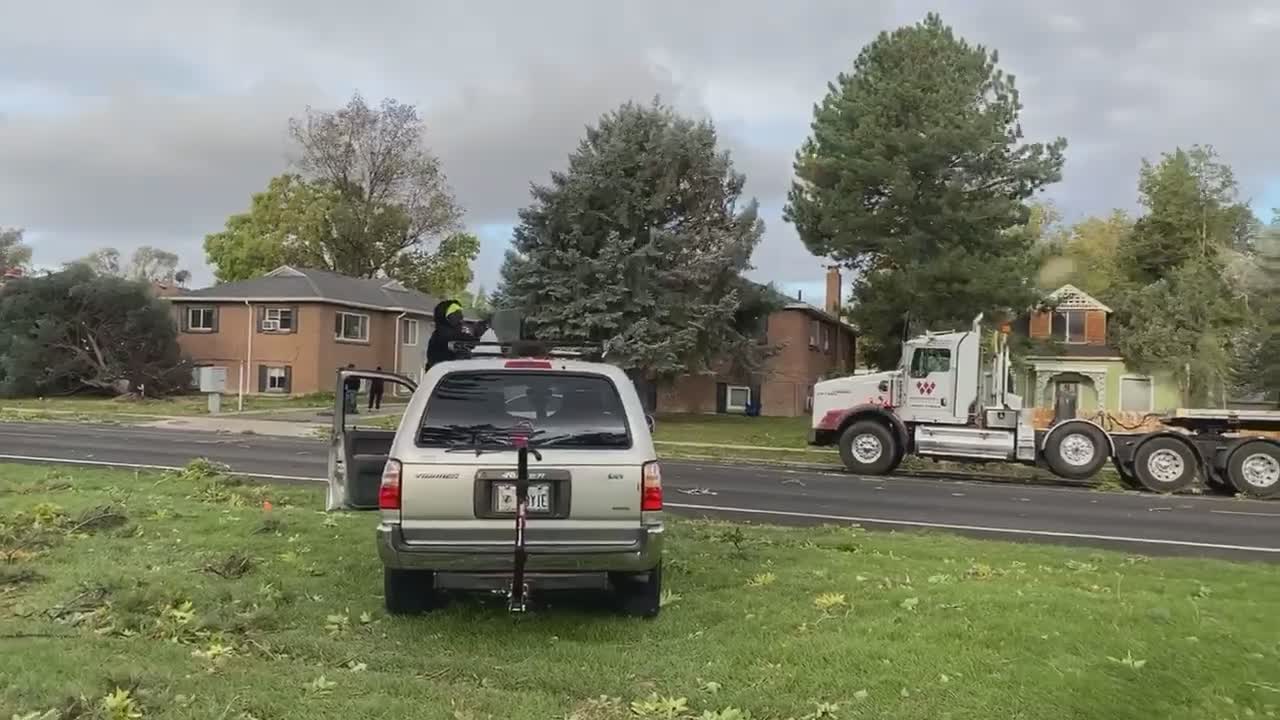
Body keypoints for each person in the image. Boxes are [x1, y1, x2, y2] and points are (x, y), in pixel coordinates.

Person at [426, 299, 487, 370]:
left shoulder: (437, 336)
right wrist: (479, 336)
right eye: (457, 313)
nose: (461, 317)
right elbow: (474, 344)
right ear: (446, 317)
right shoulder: (446, 336)